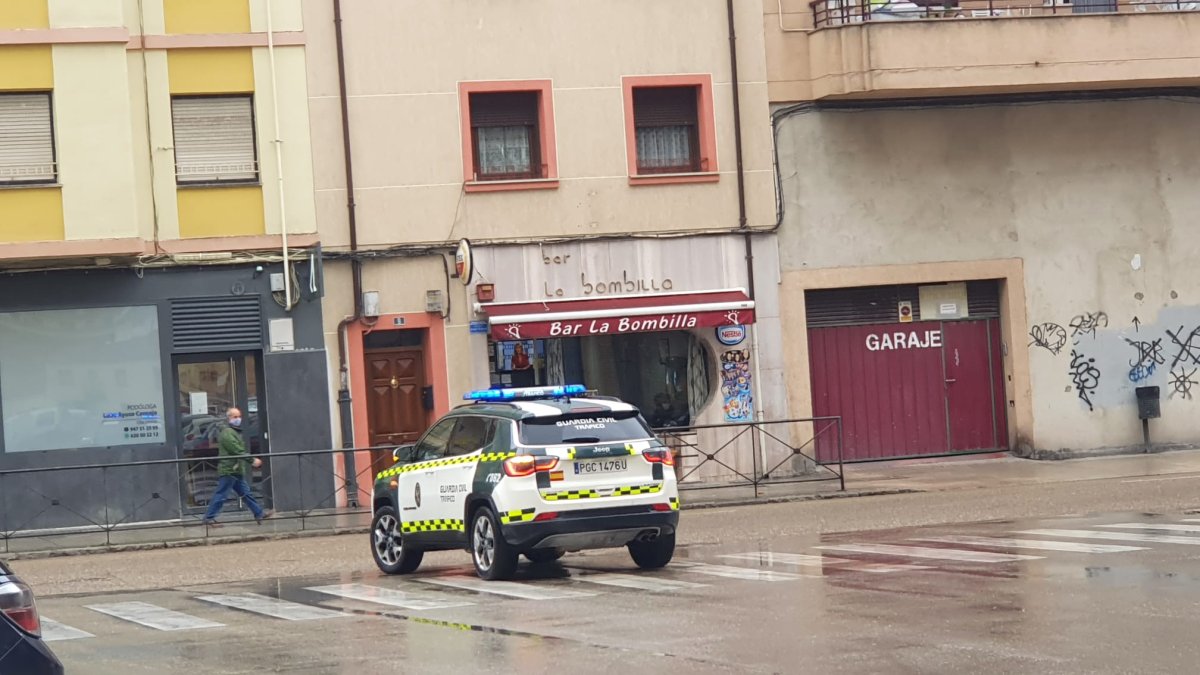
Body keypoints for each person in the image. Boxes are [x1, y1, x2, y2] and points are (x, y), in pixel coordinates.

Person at [203, 407, 272, 527]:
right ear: (229, 418)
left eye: (239, 417)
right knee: (221, 494)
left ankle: (259, 513)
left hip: (235, 469)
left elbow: (237, 450)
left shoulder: (232, 431)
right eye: (235, 417)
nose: (238, 419)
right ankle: (208, 518)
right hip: (229, 469)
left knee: (246, 493)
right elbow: (236, 450)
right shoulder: (227, 433)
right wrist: (251, 460)